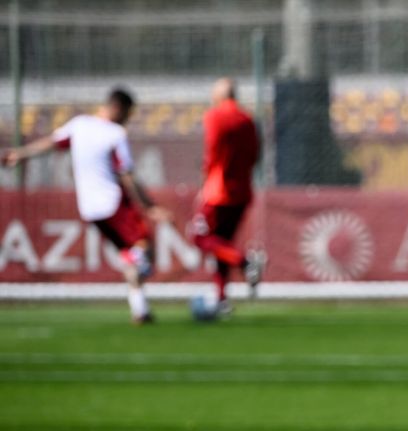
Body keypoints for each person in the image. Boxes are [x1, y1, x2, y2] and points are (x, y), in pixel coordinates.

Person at [2, 88, 170, 324]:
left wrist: (20, 154)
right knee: (144, 249)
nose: (127, 120)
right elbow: (126, 174)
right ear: (118, 109)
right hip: (113, 203)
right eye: (127, 115)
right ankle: (139, 269)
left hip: (90, 209)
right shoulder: (115, 133)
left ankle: (140, 309)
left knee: (128, 252)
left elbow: (50, 143)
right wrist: (150, 206)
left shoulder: (79, 125)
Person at [189, 77, 265, 315]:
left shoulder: (214, 116)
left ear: (219, 95)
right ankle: (222, 300)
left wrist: (204, 182)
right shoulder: (248, 118)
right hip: (242, 191)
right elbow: (256, 155)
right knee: (222, 245)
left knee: (200, 237)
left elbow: (211, 152)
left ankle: (245, 262)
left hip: (218, 191)